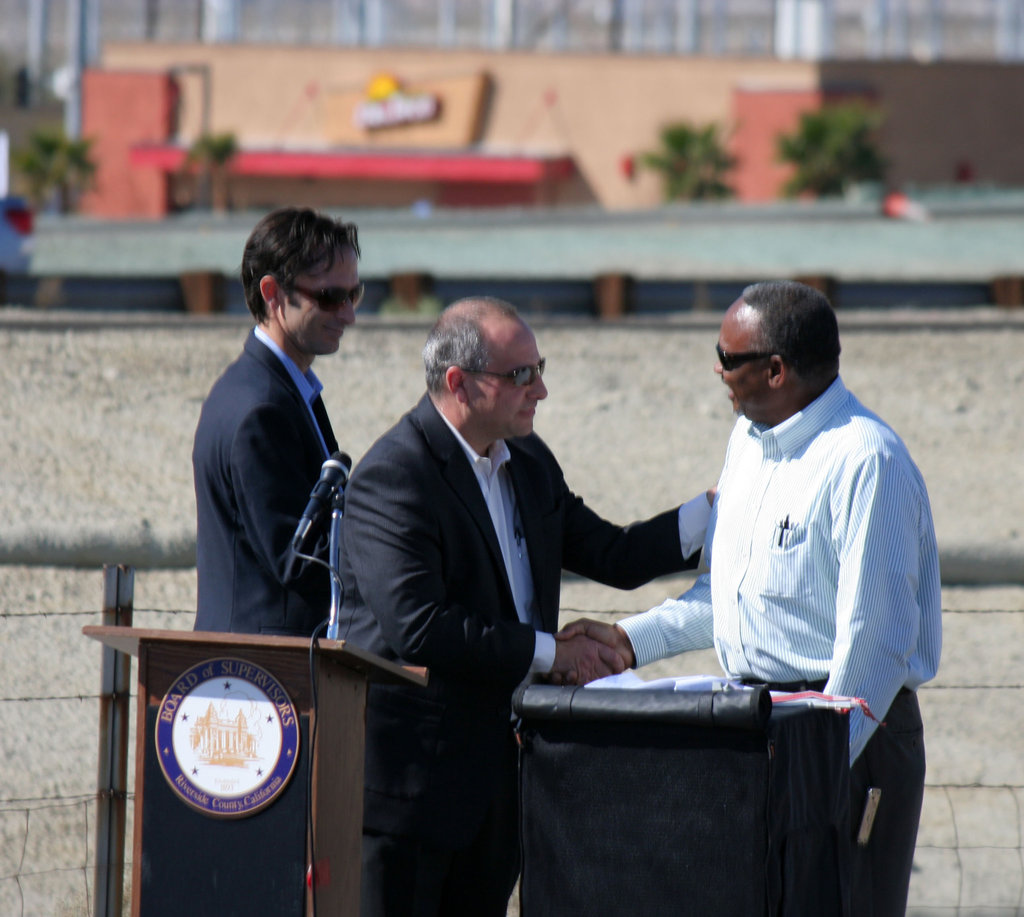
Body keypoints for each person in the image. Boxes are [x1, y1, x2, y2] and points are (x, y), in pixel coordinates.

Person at [563, 280, 942, 917]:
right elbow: (730, 597)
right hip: (759, 730)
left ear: (775, 370)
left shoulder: (866, 460)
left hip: (845, 736)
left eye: (726, 356)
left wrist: (807, 774)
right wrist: (630, 642)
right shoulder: (749, 441)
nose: (716, 369)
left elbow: (874, 649)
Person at [335, 296, 708, 917]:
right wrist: (551, 654)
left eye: (540, 367)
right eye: (521, 375)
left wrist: (717, 510)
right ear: (459, 383)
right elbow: (419, 626)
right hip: (413, 798)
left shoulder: (528, 460)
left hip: (503, 785)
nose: (541, 390)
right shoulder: (394, 476)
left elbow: (613, 554)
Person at [192, 206, 362, 635]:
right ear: (273, 293)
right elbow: (299, 559)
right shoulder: (260, 407)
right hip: (255, 679)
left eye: (354, 294)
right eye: (330, 297)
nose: (348, 314)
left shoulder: (276, 388)